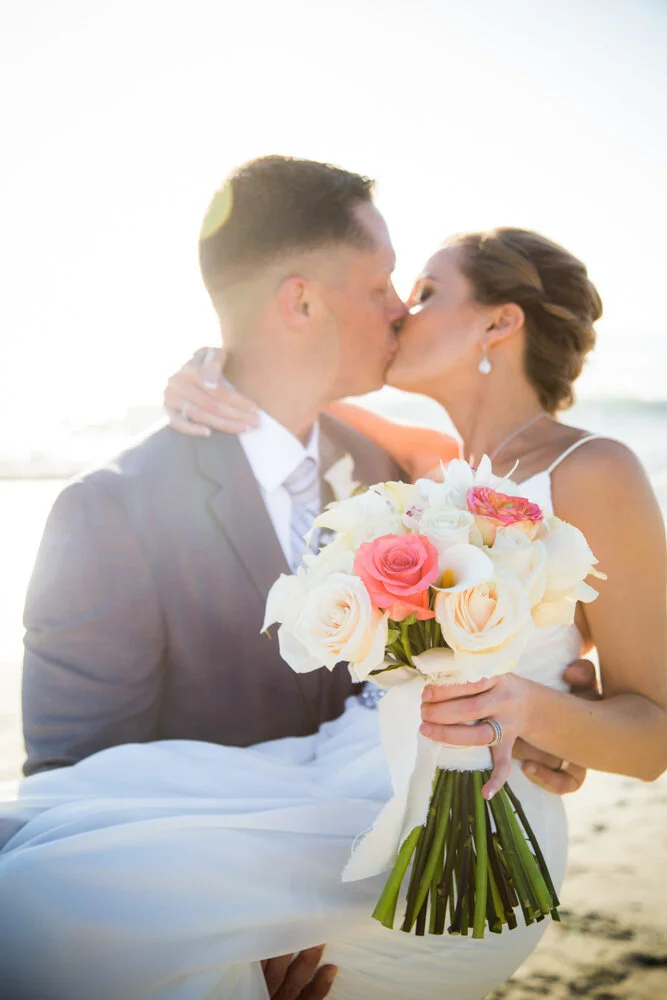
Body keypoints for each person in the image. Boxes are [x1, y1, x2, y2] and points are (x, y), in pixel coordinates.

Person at [0, 165, 626, 999]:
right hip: (232, 917)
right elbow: (77, 790)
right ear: (301, 302)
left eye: (418, 290)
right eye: (381, 286)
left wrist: (553, 719)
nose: (400, 309)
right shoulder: (110, 511)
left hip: (411, 869)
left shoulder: (399, 473)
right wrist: (210, 940)